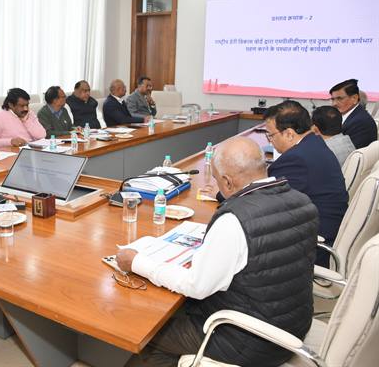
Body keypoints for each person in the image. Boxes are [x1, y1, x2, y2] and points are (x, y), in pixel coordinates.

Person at [118, 137, 318, 367]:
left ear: (227, 181)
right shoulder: (302, 201)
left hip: (250, 341)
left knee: (146, 334)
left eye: (216, 178)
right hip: (293, 326)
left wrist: (136, 262)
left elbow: (196, 286)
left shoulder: (235, 220)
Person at [265, 100, 348, 266]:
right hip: (326, 234)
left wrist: (227, 193)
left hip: (312, 249)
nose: (270, 141)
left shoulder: (296, 159)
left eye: (271, 135)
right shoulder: (315, 144)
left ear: (289, 134)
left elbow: (265, 206)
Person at [330, 78, 377, 149]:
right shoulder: (347, 116)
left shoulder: (361, 122)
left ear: (354, 98)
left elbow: (346, 152)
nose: (334, 103)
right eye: (333, 99)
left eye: (339, 98)